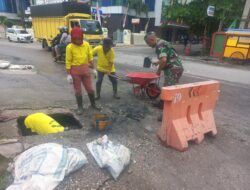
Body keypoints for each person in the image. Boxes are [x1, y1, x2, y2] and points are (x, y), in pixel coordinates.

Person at [144, 32, 183, 120]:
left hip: (173, 68)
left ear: (152, 39)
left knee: (169, 91)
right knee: (167, 88)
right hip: (175, 67)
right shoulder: (162, 42)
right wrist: (157, 62)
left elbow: (164, 60)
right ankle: (161, 104)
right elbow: (166, 57)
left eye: (148, 43)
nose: (148, 45)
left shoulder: (159, 45)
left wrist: (158, 71)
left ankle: (167, 115)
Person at [65, 27, 98, 114]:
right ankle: (80, 107)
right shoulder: (69, 47)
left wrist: (94, 69)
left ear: (82, 37)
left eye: (79, 39)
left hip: (85, 69)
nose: (78, 41)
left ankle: (93, 104)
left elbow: (90, 57)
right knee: (78, 90)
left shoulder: (86, 45)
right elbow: (68, 61)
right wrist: (68, 74)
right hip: (75, 71)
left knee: (90, 89)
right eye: (76, 39)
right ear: (72, 38)